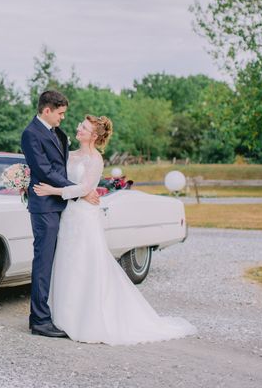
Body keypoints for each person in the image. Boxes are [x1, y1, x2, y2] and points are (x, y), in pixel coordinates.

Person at [33, 115, 197, 345]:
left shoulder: (95, 159)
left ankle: (86, 320)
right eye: (80, 125)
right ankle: (63, 317)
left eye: (84, 127)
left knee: (84, 263)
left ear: (94, 136)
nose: (78, 129)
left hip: (84, 217)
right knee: (66, 262)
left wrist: (53, 191)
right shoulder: (69, 154)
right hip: (68, 215)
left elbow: (86, 188)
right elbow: (59, 174)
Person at [20, 91, 100, 337]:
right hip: (45, 206)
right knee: (43, 262)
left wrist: (81, 189)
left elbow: (65, 167)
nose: (63, 118)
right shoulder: (31, 134)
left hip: (62, 206)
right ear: (47, 110)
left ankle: (53, 312)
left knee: (58, 263)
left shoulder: (58, 134)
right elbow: (43, 170)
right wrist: (78, 192)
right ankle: (40, 321)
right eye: (60, 113)